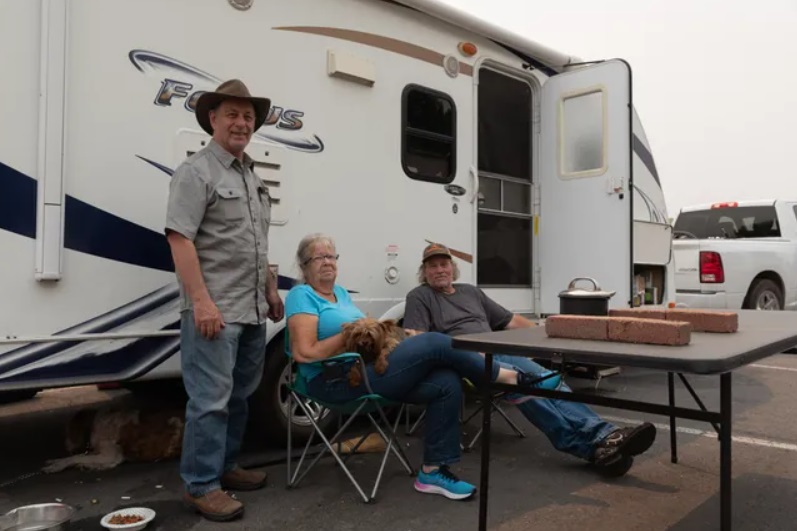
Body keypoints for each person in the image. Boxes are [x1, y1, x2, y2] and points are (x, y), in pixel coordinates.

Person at [284, 233, 558, 501]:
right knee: (435, 342)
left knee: (446, 382)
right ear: (304, 264)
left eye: (331, 256)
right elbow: (304, 352)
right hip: (335, 381)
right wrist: (350, 333)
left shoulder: (341, 294)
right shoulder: (302, 295)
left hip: (369, 370)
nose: (327, 261)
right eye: (318, 257)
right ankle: (508, 380)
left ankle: (433, 472)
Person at [403, 243, 658, 476]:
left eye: (444, 264)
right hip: (468, 362)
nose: (439, 270)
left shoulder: (470, 292)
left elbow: (510, 320)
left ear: (452, 268)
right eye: (432, 266)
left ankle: (604, 443)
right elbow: (421, 340)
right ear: (424, 272)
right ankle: (594, 443)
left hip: (498, 350)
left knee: (550, 379)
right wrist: (466, 351)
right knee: (527, 388)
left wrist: (543, 333)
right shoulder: (420, 296)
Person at [165, 79, 284, 521]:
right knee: (210, 400)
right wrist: (201, 302)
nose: (241, 122)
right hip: (215, 311)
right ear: (212, 120)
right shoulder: (196, 171)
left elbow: (254, 243)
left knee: (239, 397)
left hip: (251, 308)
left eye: (248, 116)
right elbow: (180, 239)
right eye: (232, 114)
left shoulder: (251, 175)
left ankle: (226, 466)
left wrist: (270, 290)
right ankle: (200, 485)